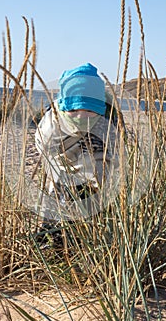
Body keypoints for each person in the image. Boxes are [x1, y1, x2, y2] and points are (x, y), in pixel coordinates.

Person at [35, 63, 119, 227]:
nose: (81, 117)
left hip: (96, 183)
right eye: (73, 111)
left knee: (95, 221)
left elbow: (117, 151)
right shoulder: (53, 122)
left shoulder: (107, 121)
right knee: (55, 222)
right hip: (62, 181)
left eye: (89, 111)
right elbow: (41, 144)